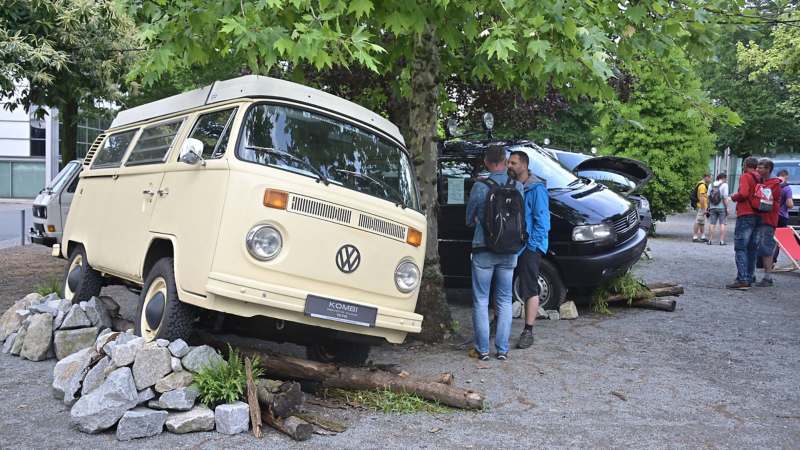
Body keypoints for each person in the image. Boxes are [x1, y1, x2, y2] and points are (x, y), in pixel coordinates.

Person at [465, 145, 523, 361]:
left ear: (486, 162)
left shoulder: (480, 187)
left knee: (481, 299)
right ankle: (503, 349)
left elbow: (468, 220)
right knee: (505, 299)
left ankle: (482, 350)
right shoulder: (517, 186)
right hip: (509, 250)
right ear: (506, 161)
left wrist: (480, 219)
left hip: (484, 249)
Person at [507, 151, 550, 349]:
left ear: (524, 166)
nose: (510, 166)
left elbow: (543, 222)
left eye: (513, 163)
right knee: (502, 284)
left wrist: (531, 245)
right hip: (510, 245)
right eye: (508, 162)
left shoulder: (536, 189)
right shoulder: (510, 185)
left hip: (529, 246)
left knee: (529, 287)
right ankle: (496, 324)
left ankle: (528, 331)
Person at [728, 157, 764, 290]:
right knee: (752, 248)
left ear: (745, 165)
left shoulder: (745, 176)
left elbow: (743, 194)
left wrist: (733, 196)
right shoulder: (760, 178)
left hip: (746, 213)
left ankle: (742, 279)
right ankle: (749, 276)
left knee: (741, 246)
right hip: (759, 213)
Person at [754, 159, 782, 286]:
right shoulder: (758, 180)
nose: (758, 170)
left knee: (766, 246)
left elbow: (764, 195)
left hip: (768, 218)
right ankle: (750, 274)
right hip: (757, 217)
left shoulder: (775, 182)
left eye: (760, 168)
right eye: (757, 167)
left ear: (768, 169)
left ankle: (767, 276)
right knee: (754, 245)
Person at [773, 169, 795, 265]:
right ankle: (772, 260)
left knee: (768, 237)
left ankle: (761, 261)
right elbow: (790, 205)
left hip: (771, 214)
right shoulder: (787, 188)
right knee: (778, 239)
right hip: (782, 216)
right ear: (786, 177)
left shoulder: (772, 185)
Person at [706, 173, 730, 245]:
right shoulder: (725, 185)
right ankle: (721, 241)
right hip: (722, 207)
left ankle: (710, 240)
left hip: (713, 207)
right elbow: (725, 197)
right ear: (723, 178)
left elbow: (708, 198)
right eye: (725, 179)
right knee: (722, 223)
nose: (726, 180)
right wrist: (728, 208)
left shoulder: (711, 185)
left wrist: (708, 207)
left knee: (712, 223)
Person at [693, 173, 712, 242]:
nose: (710, 180)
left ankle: (702, 236)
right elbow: (701, 197)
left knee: (702, 221)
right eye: (710, 178)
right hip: (701, 206)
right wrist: (704, 208)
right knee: (698, 221)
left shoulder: (699, 183)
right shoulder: (702, 186)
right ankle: (695, 236)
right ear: (706, 177)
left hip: (702, 206)